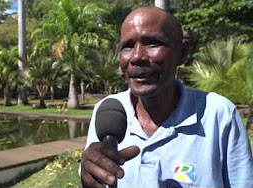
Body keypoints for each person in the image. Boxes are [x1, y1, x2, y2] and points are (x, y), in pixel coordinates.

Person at [80, 6, 253, 188]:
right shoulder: (108, 110)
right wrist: (88, 179)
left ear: (182, 53)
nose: (137, 56)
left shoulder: (218, 114)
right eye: (127, 46)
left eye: (153, 43)